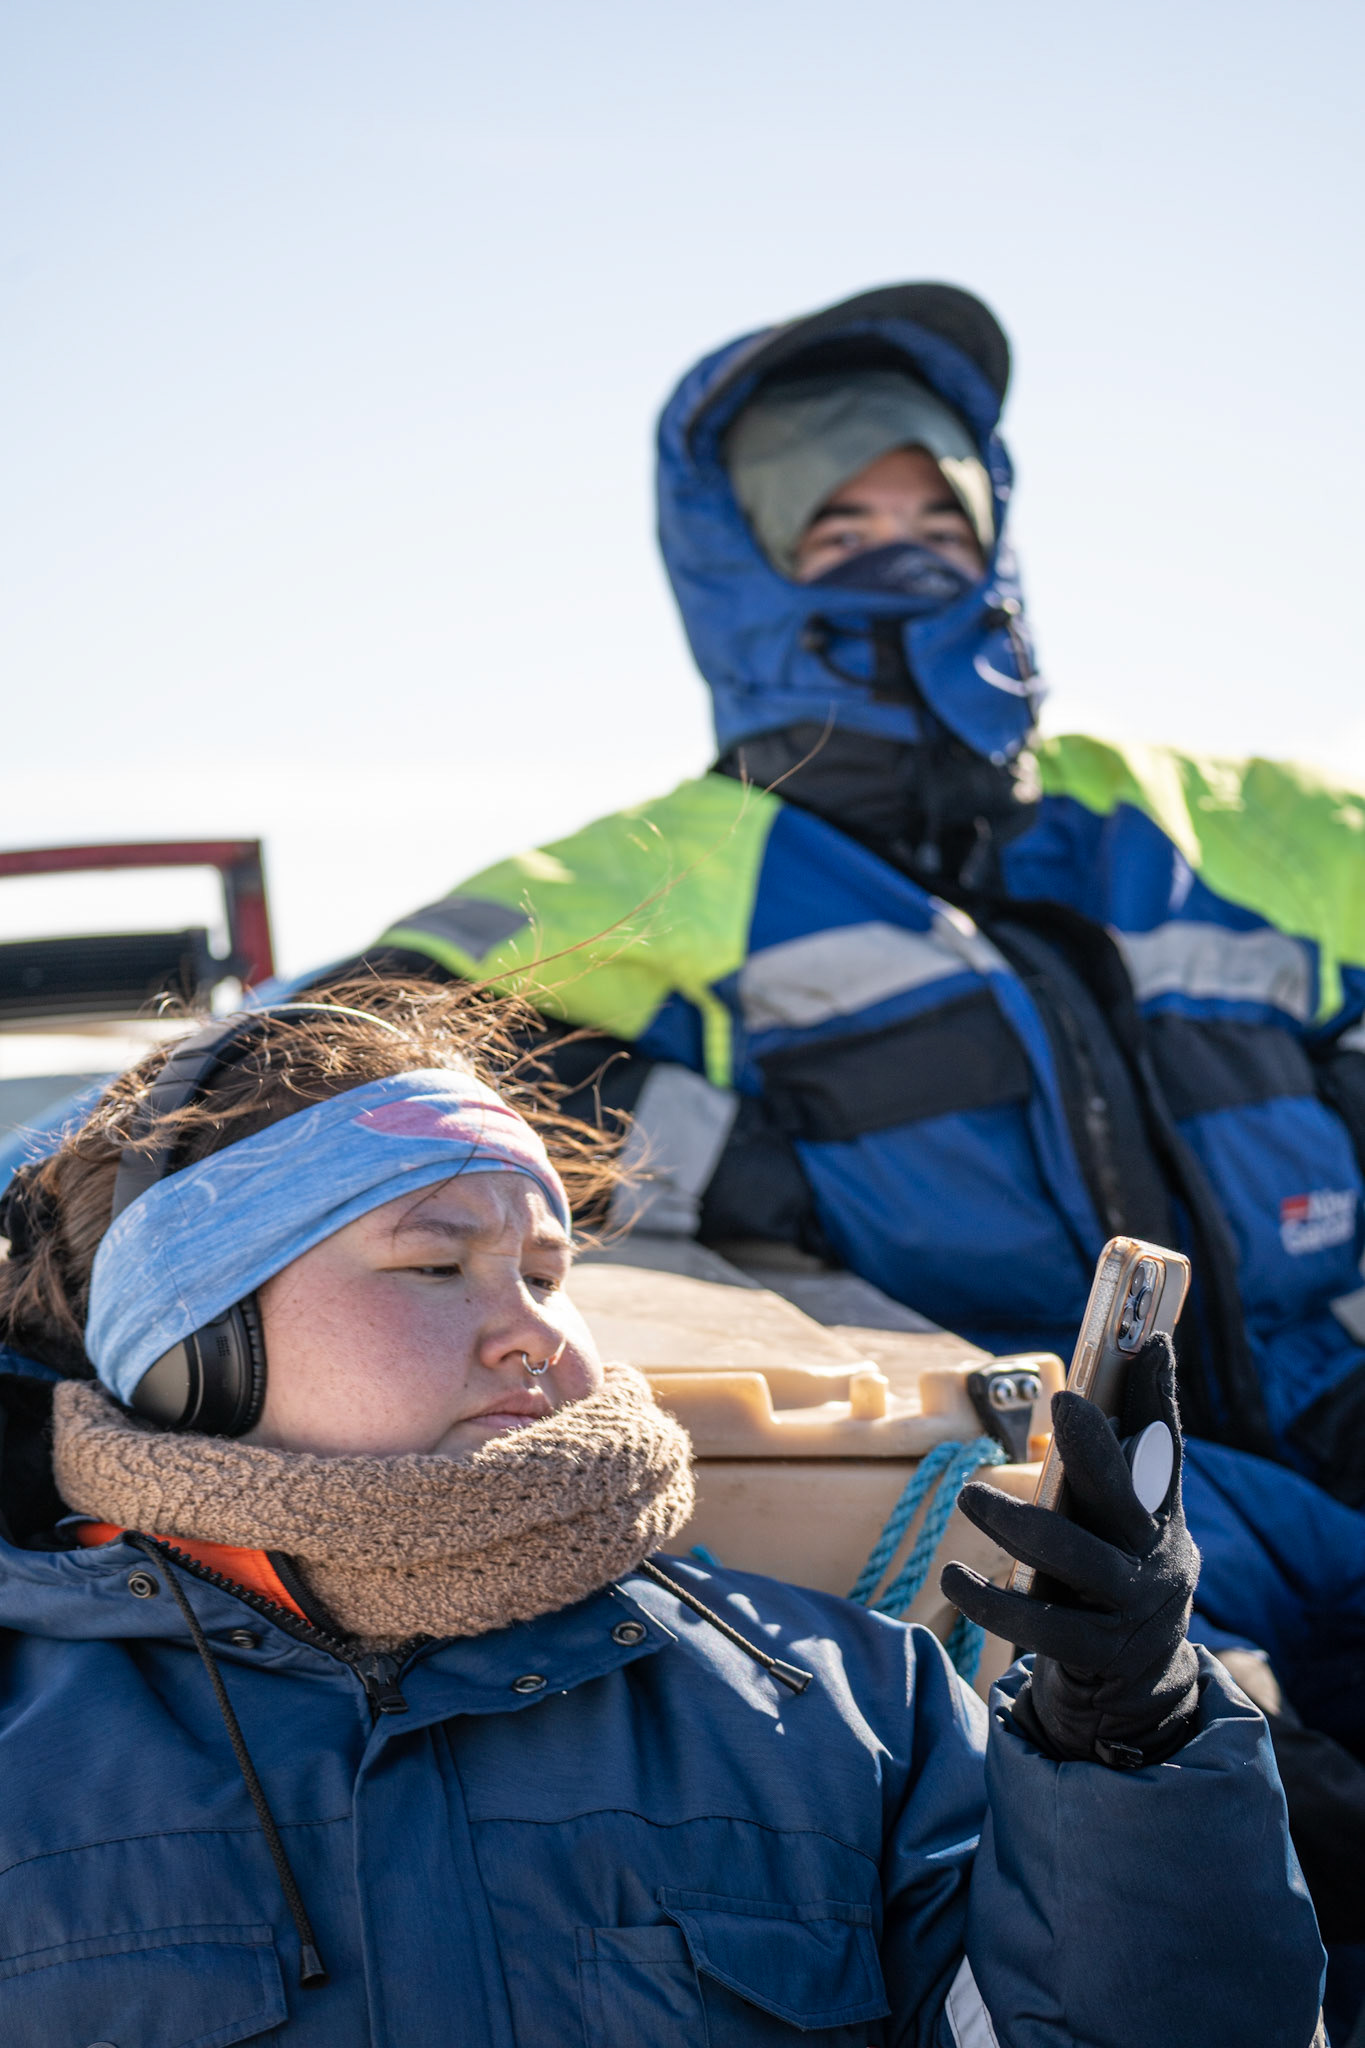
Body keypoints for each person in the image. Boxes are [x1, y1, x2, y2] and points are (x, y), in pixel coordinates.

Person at [349, 283, 1365, 2019]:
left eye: (935, 510)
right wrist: (727, 1167)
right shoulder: (647, 878)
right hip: (1066, 1541)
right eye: (837, 519)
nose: (900, 552)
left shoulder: (1236, 822)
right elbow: (293, 1106)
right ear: (736, 572)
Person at [0, 985, 1326, 2043]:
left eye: (544, 1269)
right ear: (193, 1350)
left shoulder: (854, 1701)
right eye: (433, 1264)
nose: (530, 1330)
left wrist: (1130, 1757)